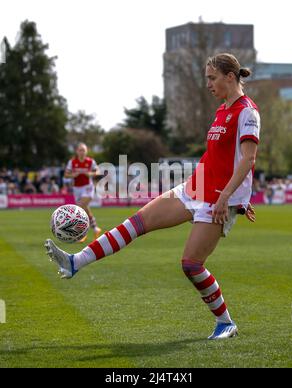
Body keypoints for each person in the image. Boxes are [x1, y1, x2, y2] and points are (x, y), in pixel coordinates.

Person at [45, 53, 260, 340]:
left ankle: (226, 323)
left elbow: (248, 159)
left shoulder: (248, 112)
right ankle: (75, 262)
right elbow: (220, 156)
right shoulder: (222, 110)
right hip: (194, 188)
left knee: (191, 265)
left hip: (217, 199)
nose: (208, 84)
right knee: (137, 222)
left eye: (212, 78)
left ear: (230, 77)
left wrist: (231, 199)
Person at [64, 143, 102, 241]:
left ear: (86, 151)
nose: (82, 152)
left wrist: (90, 173)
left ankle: (82, 232)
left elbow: (98, 172)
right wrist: (74, 175)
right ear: (77, 151)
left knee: (80, 208)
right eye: (80, 150)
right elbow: (66, 175)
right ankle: (95, 228)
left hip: (88, 187)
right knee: (84, 208)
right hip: (77, 188)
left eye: (83, 150)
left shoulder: (90, 161)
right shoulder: (72, 162)